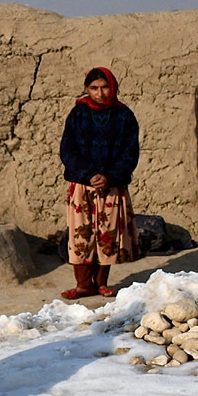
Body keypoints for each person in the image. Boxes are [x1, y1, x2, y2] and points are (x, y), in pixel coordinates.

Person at [59, 66, 142, 299]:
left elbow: (130, 152)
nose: (100, 93)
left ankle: (102, 282)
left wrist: (108, 176)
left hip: (112, 185)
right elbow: (68, 150)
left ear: (113, 87)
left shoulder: (124, 116)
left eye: (105, 87)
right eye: (94, 88)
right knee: (81, 235)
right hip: (82, 185)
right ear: (87, 89)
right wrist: (88, 175)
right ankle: (83, 285)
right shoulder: (78, 114)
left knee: (107, 234)